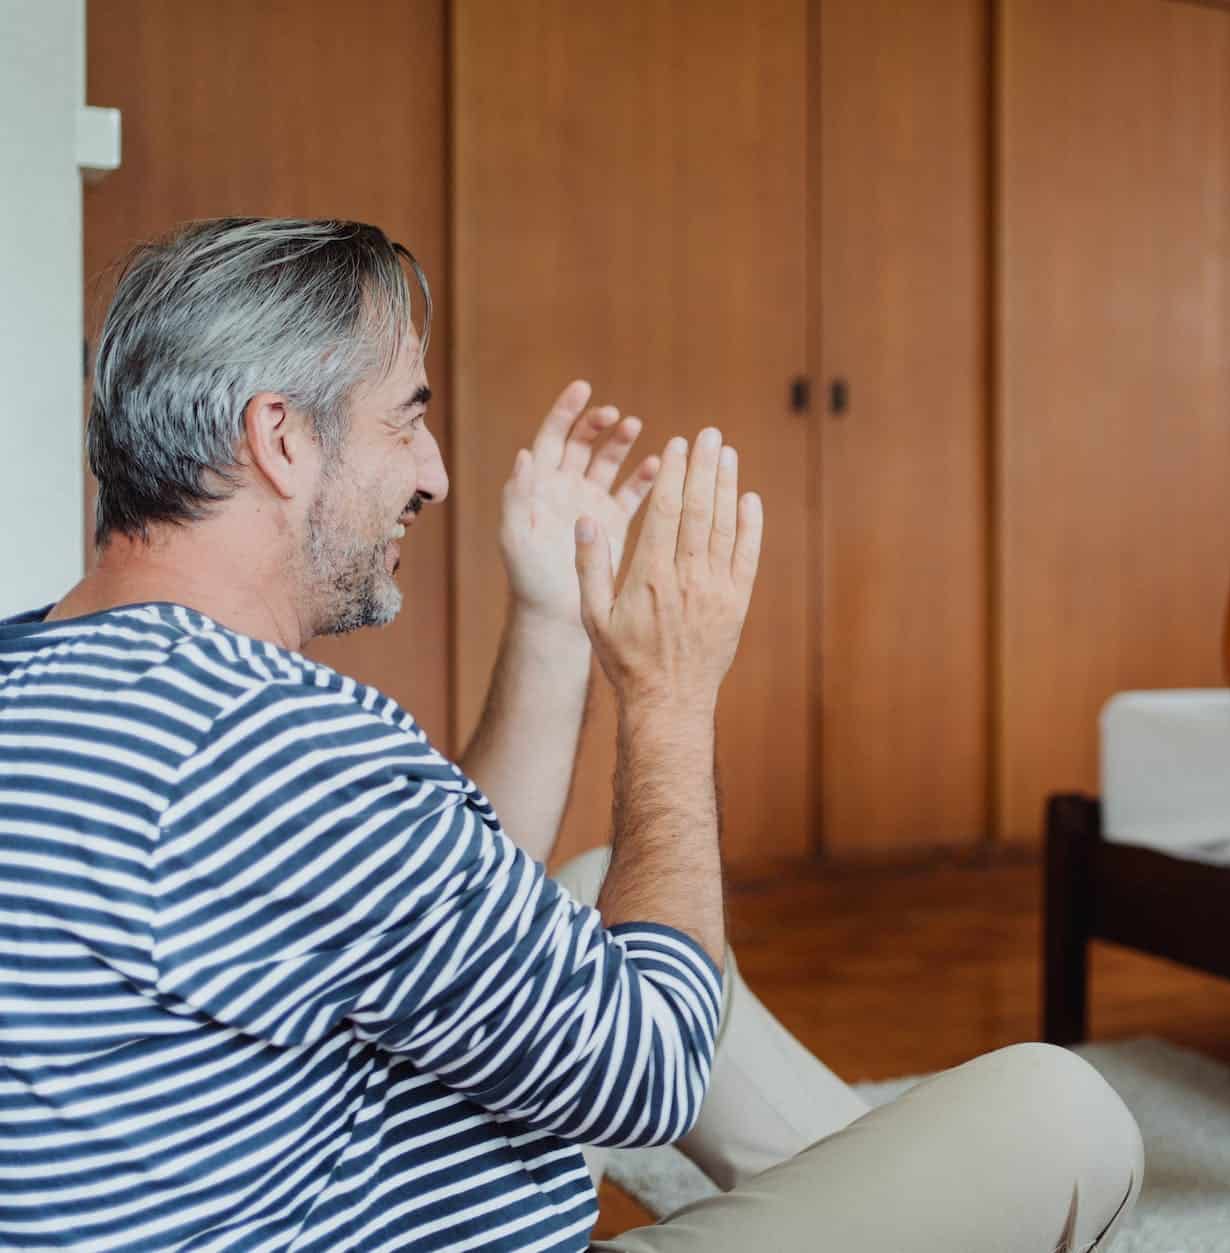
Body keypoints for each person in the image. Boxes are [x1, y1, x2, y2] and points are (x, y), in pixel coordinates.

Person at [0, 217, 1140, 1251]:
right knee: (1061, 1112)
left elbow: (428, 899)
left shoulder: (50, 676)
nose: (435, 473)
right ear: (280, 440)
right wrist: (670, 693)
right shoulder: (268, 742)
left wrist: (549, 609)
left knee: (593, 884)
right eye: (408, 415)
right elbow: (643, 1073)